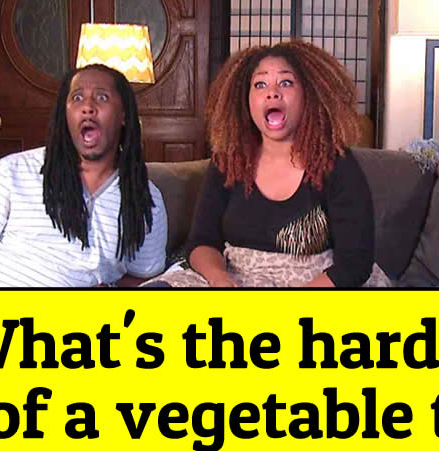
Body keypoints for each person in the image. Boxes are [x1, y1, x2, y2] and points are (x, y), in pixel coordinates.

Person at [0, 64, 168, 349]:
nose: (88, 107)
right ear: (65, 115)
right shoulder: (15, 171)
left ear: (123, 116)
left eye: (102, 97)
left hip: (64, 326)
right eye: (77, 98)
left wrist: (108, 293)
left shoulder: (145, 200)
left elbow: (144, 278)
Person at [143, 40, 389, 289]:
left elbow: (354, 264)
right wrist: (219, 279)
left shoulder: (337, 165)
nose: (273, 92)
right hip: (236, 279)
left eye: (286, 82)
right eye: (260, 84)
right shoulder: (228, 162)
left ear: (309, 94)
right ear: (246, 100)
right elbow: (201, 243)